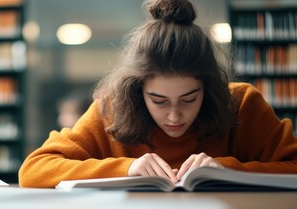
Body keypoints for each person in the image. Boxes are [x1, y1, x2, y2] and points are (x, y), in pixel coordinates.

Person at [18, 0, 297, 188]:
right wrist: (126, 169)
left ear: (209, 89)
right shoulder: (112, 108)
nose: (174, 115)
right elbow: (34, 170)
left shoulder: (242, 103)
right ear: (138, 92)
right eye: (158, 100)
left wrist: (227, 170)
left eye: (189, 99)